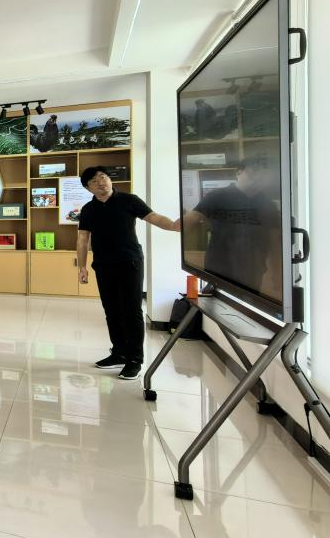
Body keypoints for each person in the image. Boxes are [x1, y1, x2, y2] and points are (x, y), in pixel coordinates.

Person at [76, 166, 180, 381]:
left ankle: (135, 359)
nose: (101, 182)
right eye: (94, 181)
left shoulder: (129, 200)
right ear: (88, 188)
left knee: (132, 311)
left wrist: (172, 225)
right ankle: (119, 353)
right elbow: (83, 239)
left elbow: (153, 217)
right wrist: (82, 266)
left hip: (130, 263)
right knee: (111, 310)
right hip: (103, 265)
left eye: (103, 177)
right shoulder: (88, 209)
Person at [182, 156, 282, 298]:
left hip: (252, 272)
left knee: (247, 306)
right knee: (216, 304)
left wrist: (278, 275)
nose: (258, 177)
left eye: (263, 174)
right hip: (218, 270)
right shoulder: (216, 196)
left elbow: (275, 242)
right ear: (239, 172)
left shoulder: (268, 205)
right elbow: (188, 221)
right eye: (253, 171)